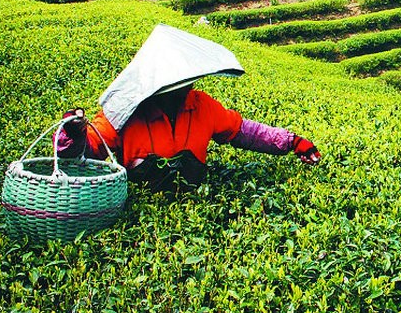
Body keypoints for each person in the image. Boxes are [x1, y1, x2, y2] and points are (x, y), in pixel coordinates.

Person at [56, 23, 321, 192]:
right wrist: (73, 133)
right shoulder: (126, 110)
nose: (182, 91)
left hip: (196, 197)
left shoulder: (201, 105)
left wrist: (294, 142)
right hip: (148, 214)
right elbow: (87, 150)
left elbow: (244, 132)